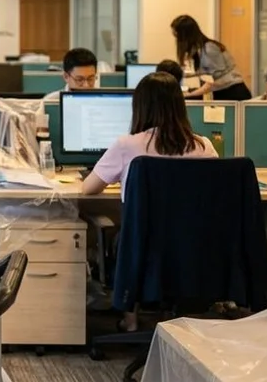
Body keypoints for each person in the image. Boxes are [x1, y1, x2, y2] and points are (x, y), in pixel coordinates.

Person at [81, 71, 218, 331]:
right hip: (193, 243)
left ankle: (130, 319)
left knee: (128, 235)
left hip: (142, 242)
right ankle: (176, 318)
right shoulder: (204, 146)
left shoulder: (127, 145)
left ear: (140, 107)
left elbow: (88, 189)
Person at [171, 15, 252, 101]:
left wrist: (189, 95)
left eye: (177, 37)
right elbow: (208, 73)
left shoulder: (208, 49)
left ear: (185, 36)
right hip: (225, 92)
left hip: (233, 93)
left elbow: (212, 82)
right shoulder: (201, 50)